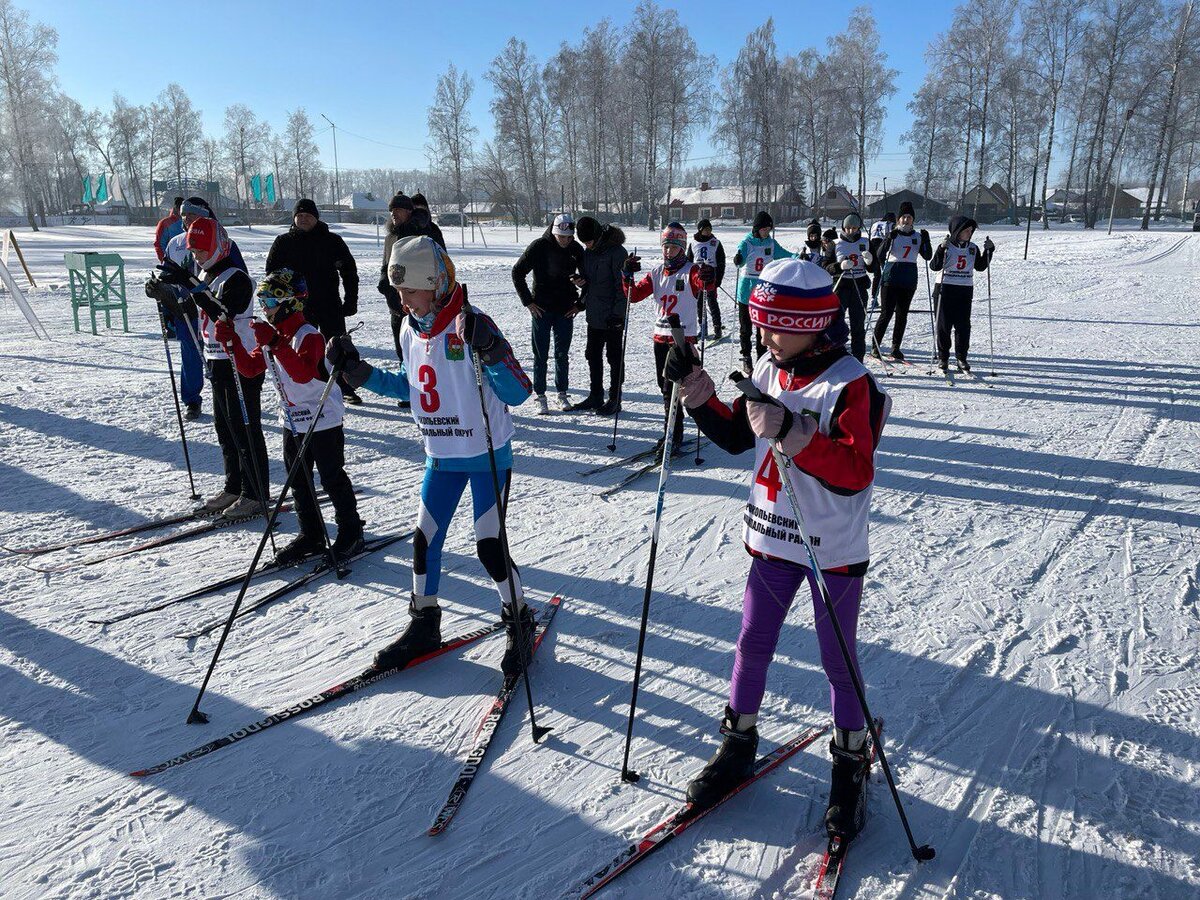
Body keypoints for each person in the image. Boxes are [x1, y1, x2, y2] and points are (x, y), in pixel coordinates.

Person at [661, 257, 890, 844]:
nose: (765, 336)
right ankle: (738, 741)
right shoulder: (769, 365)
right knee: (753, 641)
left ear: (812, 324)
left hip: (830, 546)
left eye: (776, 326)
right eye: (761, 324)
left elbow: (855, 470)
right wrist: (697, 393)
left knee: (837, 660)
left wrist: (793, 430)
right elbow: (738, 436)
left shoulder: (849, 382)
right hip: (772, 535)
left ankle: (849, 762)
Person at [326, 236, 535, 676]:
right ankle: (424, 622)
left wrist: (492, 353)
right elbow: (411, 386)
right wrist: (357, 372)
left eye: (409, 292)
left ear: (437, 284)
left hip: (485, 455)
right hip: (440, 455)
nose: (402, 301)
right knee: (424, 540)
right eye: (397, 292)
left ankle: (519, 619)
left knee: (489, 547)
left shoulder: (474, 324)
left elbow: (518, 392)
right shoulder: (409, 328)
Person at [219, 268, 363, 565]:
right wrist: (231, 342)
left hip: (323, 419)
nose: (264, 309)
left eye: (269, 302)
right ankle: (310, 534)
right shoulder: (278, 336)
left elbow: (301, 374)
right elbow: (250, 369)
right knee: (298, 481)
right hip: (293, 419)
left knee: (331, 477)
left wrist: (274, 343)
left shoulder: (309, 336)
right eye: (262, 302)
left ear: (288, 302)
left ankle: (351, 531)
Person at [159, 217, 271, 518]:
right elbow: (197, 311)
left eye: (202, 252)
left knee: (245, 427)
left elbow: (223, 314)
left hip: (242, 362)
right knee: (224, 427)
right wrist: (167, 296)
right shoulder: (207, 277)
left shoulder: (237, 278)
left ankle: (256, 493)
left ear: (220, 247)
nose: (198, 258)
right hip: (216, 359)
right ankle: (234, 485)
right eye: (194, 253)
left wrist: (191, 284)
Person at [622, 222, 714, 452]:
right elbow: (633, 296)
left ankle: (673, 435)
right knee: (664, 387)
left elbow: (705, 285)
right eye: (665, 246)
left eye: (673, 247)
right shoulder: (656, 273)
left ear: (682, 248)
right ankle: (674, 431)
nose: (668, 252)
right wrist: (627, 274)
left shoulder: (691, 270)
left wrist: (708, 276)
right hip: (660, 337)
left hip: (682, 339)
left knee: (672, 388)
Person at [265, 199, 362, 403]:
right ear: (293, 218)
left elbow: (349, 271)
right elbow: (271, 276)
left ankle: (344, 386)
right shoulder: (283, 242)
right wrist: (274, 307)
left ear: (316, 218)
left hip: (329, 303)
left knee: (337, 346)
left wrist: (351, 299)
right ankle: (308, 388)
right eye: (299, 216)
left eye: (308, 216)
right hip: (296, 308)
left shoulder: (332, 241)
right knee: (303, 348)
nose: (303, 219)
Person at [511, 213, 584, 413]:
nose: (566, 241)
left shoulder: (576, 249)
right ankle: (540, 395)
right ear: (554, 232)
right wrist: (528, 302)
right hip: (541, 309)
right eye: (562, 237)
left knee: (562, 354)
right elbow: (517, 272)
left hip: (565, 309)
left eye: (569, 237)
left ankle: (562, 393)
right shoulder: (538, 247)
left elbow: (587, 277)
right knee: (540, 354)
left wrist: (580, 304)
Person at [151, 196, 203, 420]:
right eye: (184, 214)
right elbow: (168, 275)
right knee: (190, 354)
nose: (187, 218)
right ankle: (192, 400)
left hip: (211, 309)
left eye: (192, 214)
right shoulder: (176, 242)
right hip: (184, 309)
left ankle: (233, 398)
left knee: (219, 357)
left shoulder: (220, 238)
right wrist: (162, 292)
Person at [573, 215, 629, 415]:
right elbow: (590, 282)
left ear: (598, 236)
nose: (587, 245)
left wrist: (618, 315)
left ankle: (615, 398)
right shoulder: (588, 253)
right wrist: (581, 283)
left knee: (614, 358)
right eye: (584, 242)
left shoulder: (617, 252)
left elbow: (622, 288)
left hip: (613, 316)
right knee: (593, 355)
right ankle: (596, 394)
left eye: (589, 241)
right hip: (594, 315)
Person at [929, 215, 994, 373]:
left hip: (964, 289)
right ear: (957, 231)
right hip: (945, 288)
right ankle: (943, 357)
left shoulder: (972, 247)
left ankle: (961, 357)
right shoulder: (947, 246)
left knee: (963, 326)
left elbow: (980, 266)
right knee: (944, 325)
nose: (969, 233)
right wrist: (940, 249)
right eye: (966, 230)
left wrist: (989, 251)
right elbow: (934, 266)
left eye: (971, 231)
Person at [734, 211, 795, 374]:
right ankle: (746, 357)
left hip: (764, 289)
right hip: (747, 289)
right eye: (764, 229)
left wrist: (797, 256)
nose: (766, 232)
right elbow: (740, 259)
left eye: (769, 229)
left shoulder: (771, 243)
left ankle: (762, 357)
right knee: (745, 328)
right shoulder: (747, 242)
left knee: (763, 328)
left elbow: (784, 255)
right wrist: (738, 259)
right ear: (757, 229)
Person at [871, 201, 931, 362]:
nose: (906, 220)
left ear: (913, 220)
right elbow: (879, 255)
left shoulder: (917, 237)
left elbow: (928, 256)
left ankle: (895, 347)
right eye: (903, 217)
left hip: (909, 280)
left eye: (909, 217)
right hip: (891, 278)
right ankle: (875, 346)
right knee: (886, 313)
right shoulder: (893, 234)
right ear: (898, 219)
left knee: (902, 315)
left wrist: (926, 241)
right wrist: (888, 240)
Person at [824, 213, 874, 362]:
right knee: (835, 324)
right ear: (843, 227)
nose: (850, 231)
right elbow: (825, 265)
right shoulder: (835, 244)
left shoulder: (866, 242)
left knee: (858, 325)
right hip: (841, 287)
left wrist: (870, 261)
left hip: (859, 286)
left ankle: (858, 359)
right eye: (847, 228)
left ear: (859, 227)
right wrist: (839, 266)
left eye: (854, 228)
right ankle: (833, 357)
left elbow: (874, 268)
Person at [686, 218, 725, 340]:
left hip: (711, 277)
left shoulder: (716, 243)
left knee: (712, 303)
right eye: (705, 230)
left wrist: (718, 279)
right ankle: (703, 328)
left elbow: (721, 262)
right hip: (698, 278)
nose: (708, 232)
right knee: (699, 304)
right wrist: (689, 278)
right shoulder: (693, 243)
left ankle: (717, 328)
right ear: (700, 230)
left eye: (709, 229)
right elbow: (688, 262)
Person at [868, 212, 895, 305]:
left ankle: (873, 298)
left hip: (872, 249)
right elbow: (891, 238)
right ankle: (887, 298)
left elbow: (870, 236)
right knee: (886, 275)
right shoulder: (890, 224)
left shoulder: (875, 224)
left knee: (877, 275)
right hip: (882, 249)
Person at [154, 197, 185, 262]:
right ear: (175, 208)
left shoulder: (190, 221)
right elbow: (159, 244)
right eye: (179, 208)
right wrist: (165, 261)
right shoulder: (165, 223)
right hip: (171, 262)